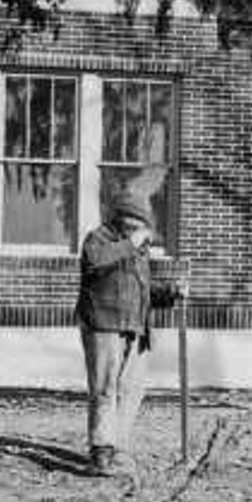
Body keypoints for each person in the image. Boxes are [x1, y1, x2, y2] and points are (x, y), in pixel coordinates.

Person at [76, 192, 173, 473]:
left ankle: (119, 447)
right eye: (133, 223)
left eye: (141, 224)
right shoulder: (99, 239)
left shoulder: (136, 248)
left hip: (136, 326)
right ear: (120, 218)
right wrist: (131, 244)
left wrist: (169, 292)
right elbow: (95, 262)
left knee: (131, 390)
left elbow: (139, 287)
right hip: (104, 324)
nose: (139, 229)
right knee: (105, 387)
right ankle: (101, 451)